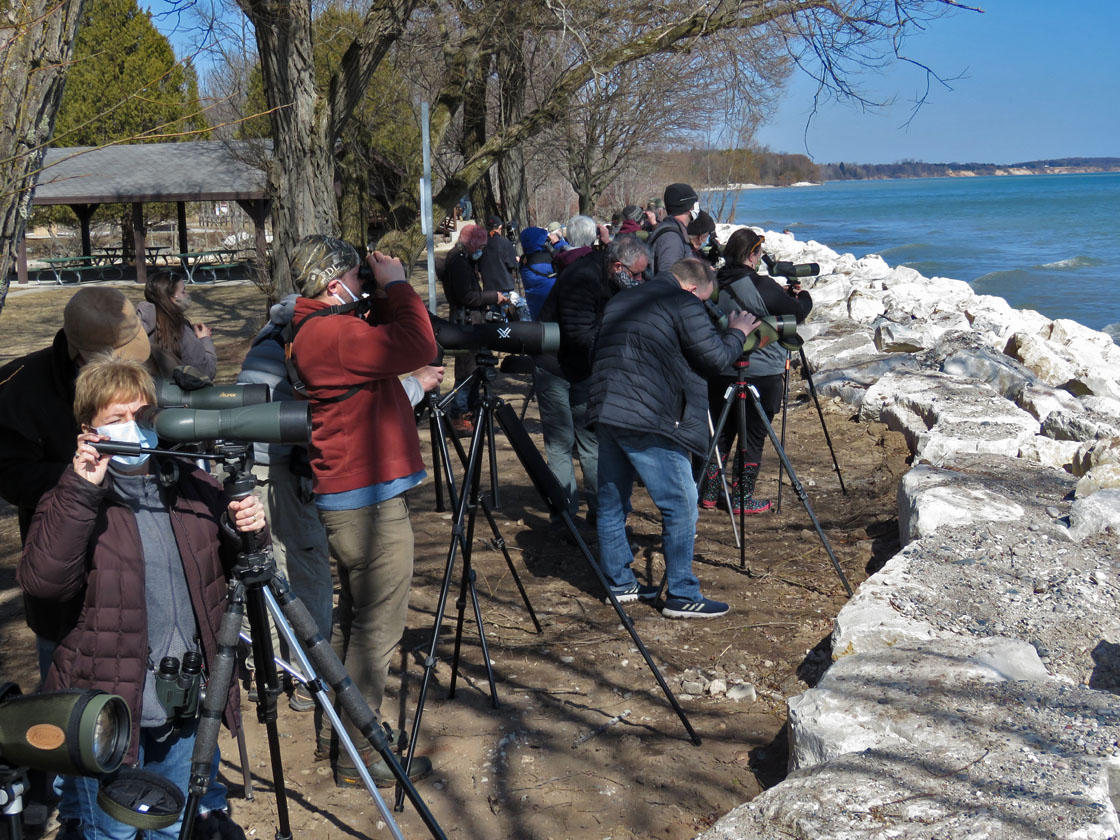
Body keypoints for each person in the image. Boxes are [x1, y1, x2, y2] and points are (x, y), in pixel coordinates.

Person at [17, 355, 259, 840]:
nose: (133, 429)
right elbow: (44, 580)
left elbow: (236, 569)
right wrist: (82, 489)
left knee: (171, 824)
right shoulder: (71, 497)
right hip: (107, 705)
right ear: (89, 429)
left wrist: (247, 528)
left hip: (184, 694)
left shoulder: (191, 484)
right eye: (115, 419)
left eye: (141, 416)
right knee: (113, 831)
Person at [287, 235, 438, 787]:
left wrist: (375, 295)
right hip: (366, 505)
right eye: (357, 277)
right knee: (378, 630)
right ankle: (360, 755)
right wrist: (396, 282)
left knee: (355, 623)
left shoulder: (319, 326)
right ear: (332, 285)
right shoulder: (333, 333)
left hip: (351, 497)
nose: (364, 285)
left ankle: (340, 730)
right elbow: (420, 343)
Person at [588, 258, 757, 618]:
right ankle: (682, 593)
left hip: (608, 406)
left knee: (613, 500)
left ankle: (619, 581)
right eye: (704, 300)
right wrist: (738, 331)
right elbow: (715, 357)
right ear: (693, 289)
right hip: (650, 415)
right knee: (681, 501)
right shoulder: (682, 302)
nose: (705, 307)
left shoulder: (622, 299)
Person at [534, 235, 651, 529]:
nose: (641, 279)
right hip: (555, 366)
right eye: (636, 274)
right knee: (560, 443)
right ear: (616, 266)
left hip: (586, 368)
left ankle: (603, 511)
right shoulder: (582, 278)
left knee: (593, 442)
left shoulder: (616, 280)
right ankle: (564, 515)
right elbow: (579, 335)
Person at [704, 228, 813, 513]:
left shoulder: (714, 282)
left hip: (721, 366)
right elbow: (798, 312)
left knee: (721, 431)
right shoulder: (761, 285)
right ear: (752, 255)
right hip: (761, 372)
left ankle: (708, 491)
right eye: (759, 252)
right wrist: (804, 297)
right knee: (753, 434)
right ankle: (741, 498)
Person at [441, 223, 509, 433]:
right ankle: (458, 415)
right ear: (472, 243)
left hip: (470, 322)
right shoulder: (458, 262)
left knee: (475, 370)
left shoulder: (461, 259)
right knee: (467, 373)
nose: (481, 251)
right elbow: (467, 296)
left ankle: (469, 410)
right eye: (480, 246)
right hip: (466, 325)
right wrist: (493, 297)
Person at [136, 271, 217, 381]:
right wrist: (205, 339)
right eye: (183, 292)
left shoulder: (136, 328)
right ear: (171, 298)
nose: (187, 295)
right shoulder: (179, 331)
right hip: (177, 395)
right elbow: (206, 372)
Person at [646, 183, 699, 275]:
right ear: (690, 207)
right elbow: (669, 280)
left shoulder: (673, 231)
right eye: (695, 204)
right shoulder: (671, 239)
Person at [518, 226, 557, 319]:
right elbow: (568, 256)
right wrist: (558, 242)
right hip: (554, 317)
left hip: (537, 318)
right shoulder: (548, 262)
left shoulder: (524, 265)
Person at [478, 215, 518, 297]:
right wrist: (517, 261)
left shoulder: (480, 244)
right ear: (500, 227)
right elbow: (511, 264)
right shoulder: (504, 242)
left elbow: (478, 266)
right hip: (505, 287)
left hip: (488, 289)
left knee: (493, 310)